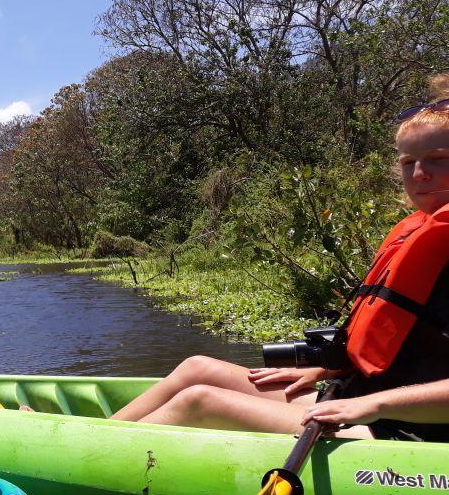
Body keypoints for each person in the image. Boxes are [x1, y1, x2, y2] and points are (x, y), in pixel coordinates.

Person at [111, 75, 449, 441]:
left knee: (201, 400)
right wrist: (326, 373)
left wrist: (376, 404)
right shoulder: (424, 231)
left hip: (408, 435)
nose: (419, 174)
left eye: (438, 159)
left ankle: (85, 458)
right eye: (407, 162)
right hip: (363, 403)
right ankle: (86, 436)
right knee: (197, 368)